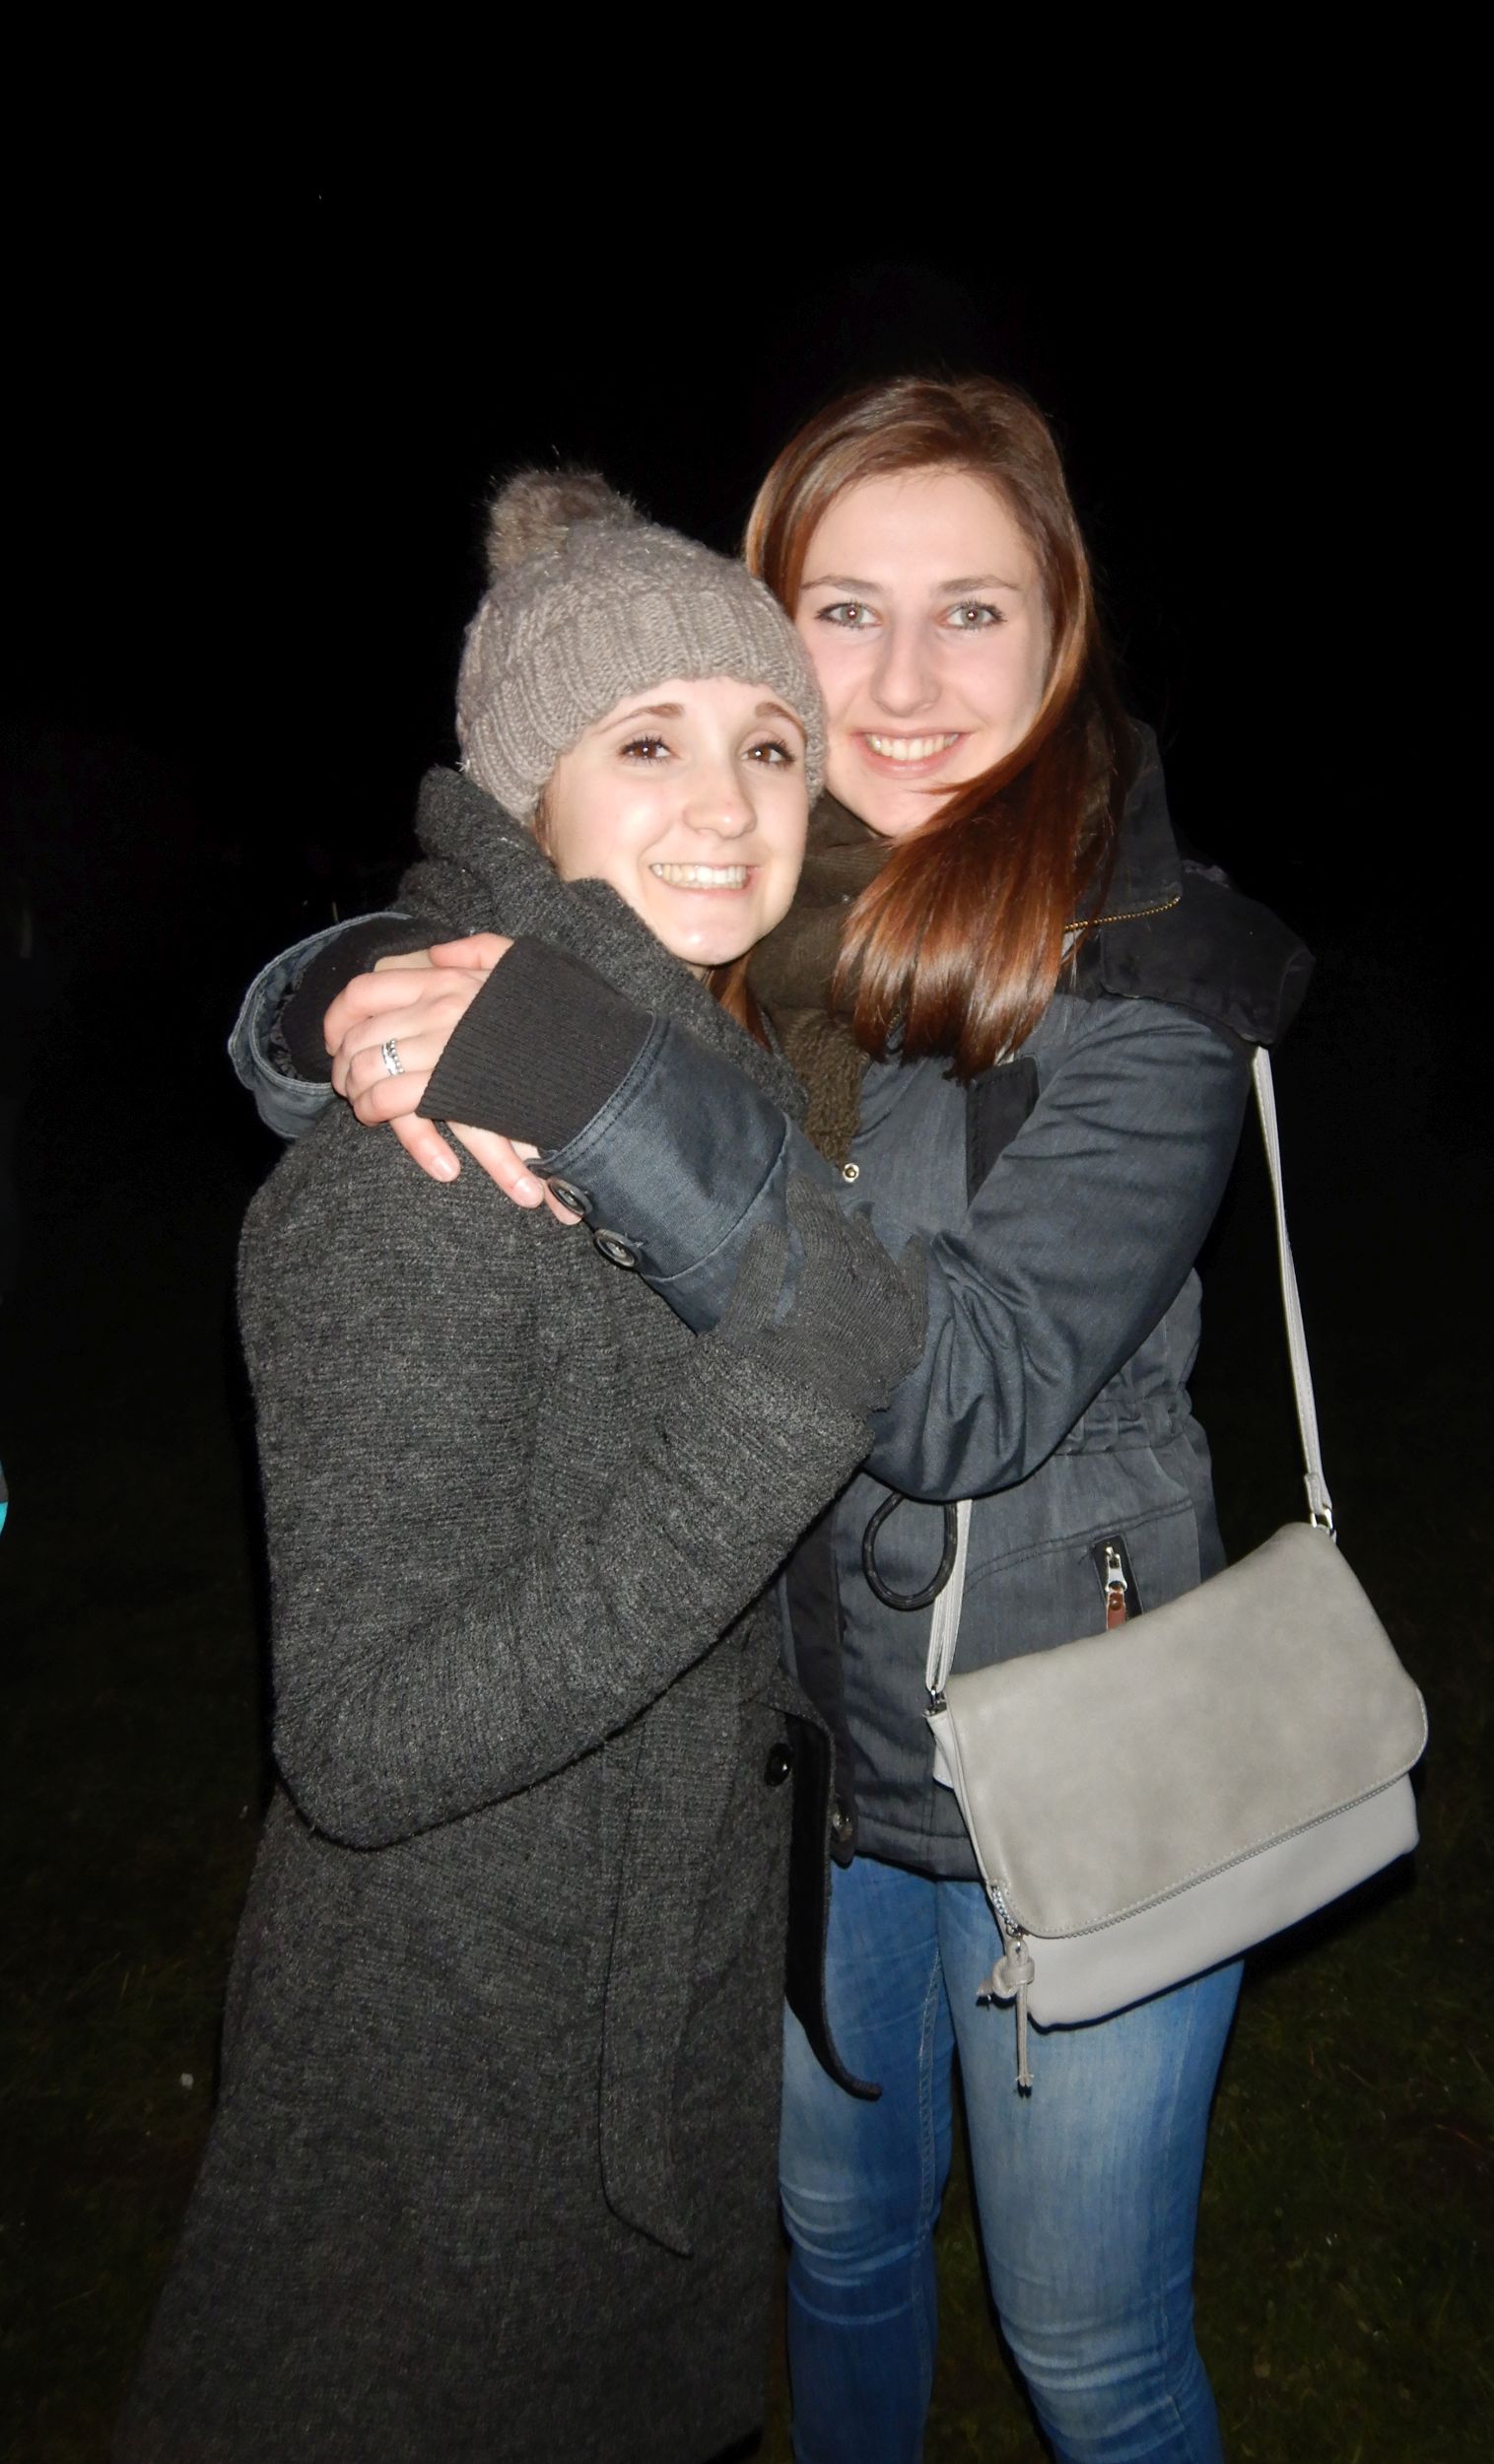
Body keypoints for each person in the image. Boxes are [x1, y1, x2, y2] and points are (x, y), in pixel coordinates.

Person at [230, 380, 1312, 2464]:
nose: (901, 686)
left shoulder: (1154, 973)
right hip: (801, 1761)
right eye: (842, 613)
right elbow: (536, 895)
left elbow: (968, 1387)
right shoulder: (751, 908)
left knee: (1089, 2350)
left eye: (972, 612)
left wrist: (583, 1079)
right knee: (833, 2248)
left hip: (1072, 1756)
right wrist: (325, 1002)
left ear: (1061, 631)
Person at [117, 474, 925, 2464]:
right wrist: (773, 1424)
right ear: (522, 788)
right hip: (453, 2081)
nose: (726, 803)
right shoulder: (416, 1173)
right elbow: (361, 1738)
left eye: (767, 744)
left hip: (637, 2043)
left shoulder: (719, 1082)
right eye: (644, 743)